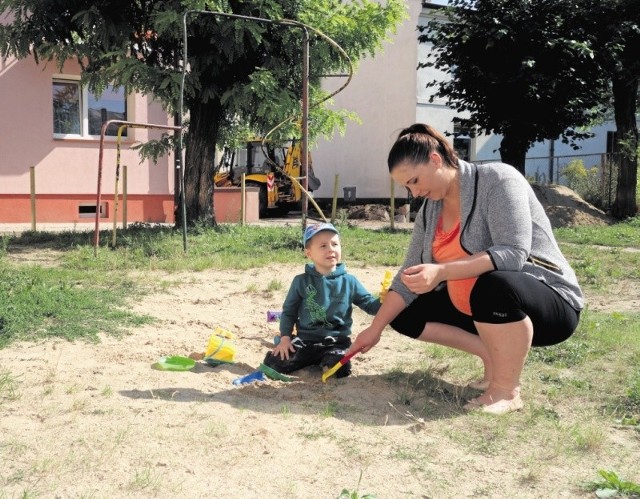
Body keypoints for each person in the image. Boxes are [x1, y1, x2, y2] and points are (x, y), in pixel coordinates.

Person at [349, 123, 583, 414]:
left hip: (549, 304)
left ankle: (506, 392)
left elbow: (513, 254)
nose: (415, 192)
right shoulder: (430, 211)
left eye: (415, 181)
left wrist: (442, 272)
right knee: (403, 312)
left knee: (492, 284)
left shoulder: (498, 179)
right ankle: (492, 356)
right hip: (480, 308)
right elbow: (407, 275)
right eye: (407, 187)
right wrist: (374, 329)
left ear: (435, 159)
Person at [263, 222, 381, 379]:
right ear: (309, 253)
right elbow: (289, 312)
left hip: (336, 342)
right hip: (306, 340)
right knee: (273, 363)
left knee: (339, 369)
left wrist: (385, 299)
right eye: (323, 246)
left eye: (335, 244)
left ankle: (325, 360)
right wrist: (285, 339)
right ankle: (293, 347)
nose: (331, 249)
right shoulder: (301, 281)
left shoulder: (349, 281)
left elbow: (370, 305)